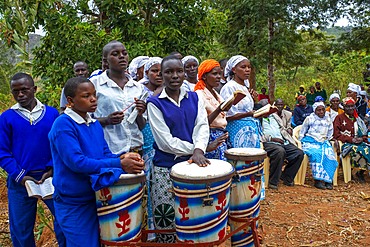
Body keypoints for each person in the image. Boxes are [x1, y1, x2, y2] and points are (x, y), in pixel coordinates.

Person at [48, 77, 145, 246]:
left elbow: (105, 153)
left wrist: (124, 158)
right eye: (86, 96)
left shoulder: (93, 124)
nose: (93, 99)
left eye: (94, 95)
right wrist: (119, 164)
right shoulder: (63, 125)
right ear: (70, 101)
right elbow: (77, 162)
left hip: (96, 196)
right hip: (73, 200)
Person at [147, 55, 210, 242]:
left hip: (192, 167)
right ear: (162, 75)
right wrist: (196, 150)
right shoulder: (155, 103)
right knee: (166, 219)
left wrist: (199, 150)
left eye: (179, 71)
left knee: (193, 216)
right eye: (169, 72)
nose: (175, 75)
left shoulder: (195, 97)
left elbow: (202, 125)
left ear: (184, 73)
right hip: (165, 168)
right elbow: (165, 141)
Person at [0, 73, 65, 247]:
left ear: (34, 89)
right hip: (20, 181)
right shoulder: (7, 118)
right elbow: (2, 152)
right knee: (21, 229)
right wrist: (20, 175)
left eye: (24, 90)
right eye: (16, 91)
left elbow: (59, 145)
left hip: (50, 178)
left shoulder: (51, 114)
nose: (20, 94)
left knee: (63, 221)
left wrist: (52, 169)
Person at [90, 40, 147, 155]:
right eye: (115, 54)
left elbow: (141, 125)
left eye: (124, 53)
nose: (121, 57)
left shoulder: (138, 87)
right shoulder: (94, 84)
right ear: (105, 61)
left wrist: (140, 113)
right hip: (109, 151)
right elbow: (84, 121)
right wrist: (106, 120)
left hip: (135, 149)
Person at [220, 55, 261, 148]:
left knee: (252, 159)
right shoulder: (229, 87)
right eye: (243, 67)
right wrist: (248, 114)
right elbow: (227, 115)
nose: (247, 70)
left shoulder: (245, 88)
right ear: (234, 69)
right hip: (236, 129)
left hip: (250, 128)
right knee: (239, 158)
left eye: (249, 67)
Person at [261, 99, 304, 190]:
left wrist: (287, 132)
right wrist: (271, 138)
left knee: (299, 153)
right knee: (280, 151)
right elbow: (258, 136)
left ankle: (287, 177)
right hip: (269, 142)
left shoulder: (274, 117)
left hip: (283, 141)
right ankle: (273, 181)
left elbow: (283, 128)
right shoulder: (259, 119)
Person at [194, 59, 230, 160]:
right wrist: (219, 109)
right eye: (214, 74)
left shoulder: (215, 93)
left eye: (220, 74)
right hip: (209, 137)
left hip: (220, 135)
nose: (218, 77)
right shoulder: (199, 94)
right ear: (204, 76)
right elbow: (201, 122)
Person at [299, 102, 338, 190]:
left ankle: (328, 180)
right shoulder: (309, 118)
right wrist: (300, 143)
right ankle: (318, 181)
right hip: (310, 142)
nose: (321, 112)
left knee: (330, 156)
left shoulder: (328, 119)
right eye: (318, 110)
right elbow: (302, 132)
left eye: (323, 109)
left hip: (323, 142)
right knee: (317, 154)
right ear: (314, 111)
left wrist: (329, 140)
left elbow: (330, 133)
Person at [333, 97, 369, 183]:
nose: (350, 108)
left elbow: (364, 134)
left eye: (352, 106)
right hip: (347, 143)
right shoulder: (339, 118)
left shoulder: (358, 118)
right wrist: (351, 139)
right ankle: (355, 173)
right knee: (359, 150)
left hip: (359, 142)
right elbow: (336, 134)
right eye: (347, 106)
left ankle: (361, 172)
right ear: (344, 107)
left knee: (367, 148)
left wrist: (362, 139)